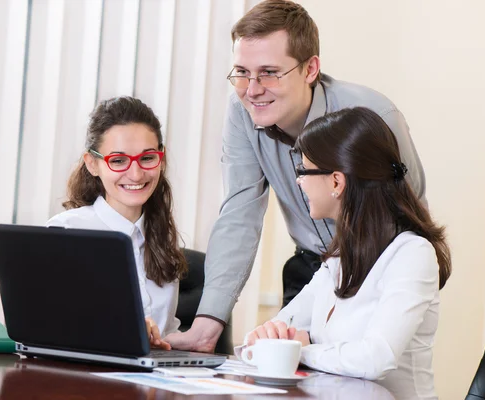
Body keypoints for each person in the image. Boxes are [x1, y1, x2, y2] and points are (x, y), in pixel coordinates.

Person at [165, 0, 427, 352]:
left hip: (375, 270)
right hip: (311, 269)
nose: (252, 89)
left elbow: (407, 220)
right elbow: (239, 214)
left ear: (310, 69)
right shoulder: (242, 112)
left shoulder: (372, 116)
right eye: (242, 72)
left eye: (269, 72)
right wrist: (207, 324)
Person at [245, 107, 451, 400]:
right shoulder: (339, 257)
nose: (299, 182)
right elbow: (281, 327)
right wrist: (267, 339)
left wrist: (301, 351)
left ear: (336, 182)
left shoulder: (412, 254)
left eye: (303, 171)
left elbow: (376, 358)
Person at [47, 96, 186, 349]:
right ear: (93, 164)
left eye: (147, 158)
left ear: (161, 159)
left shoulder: (162, 238)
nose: (135, 174)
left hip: (155, 381)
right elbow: (50, 328)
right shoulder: (65, 232)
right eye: (118, 160)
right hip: (84, 382)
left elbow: (168, 331)